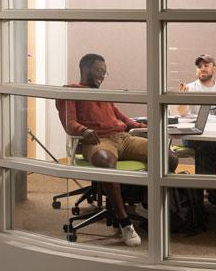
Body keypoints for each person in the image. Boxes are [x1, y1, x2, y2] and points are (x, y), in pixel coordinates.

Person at [61, 53, 178, 246]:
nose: (102, 76)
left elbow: (122, 118)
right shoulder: (71, 91)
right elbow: (69, 122)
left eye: (105, 73)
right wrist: (84, 130)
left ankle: (144, 205)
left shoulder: (103, 94)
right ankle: (125, 223)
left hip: (122, 138)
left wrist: (145, 127)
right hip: (98, 140)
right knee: (106, 161)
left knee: (168, 157)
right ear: (86, 68)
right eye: (99, 71)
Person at [177, 54, 216, 198]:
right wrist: (182, 99)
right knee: (206, 145)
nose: (202, 69)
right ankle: (210, 190)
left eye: (206, 65)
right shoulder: (189, 88)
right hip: (195, 135)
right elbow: (182, 113)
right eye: (199, 66)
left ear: (214, 68)